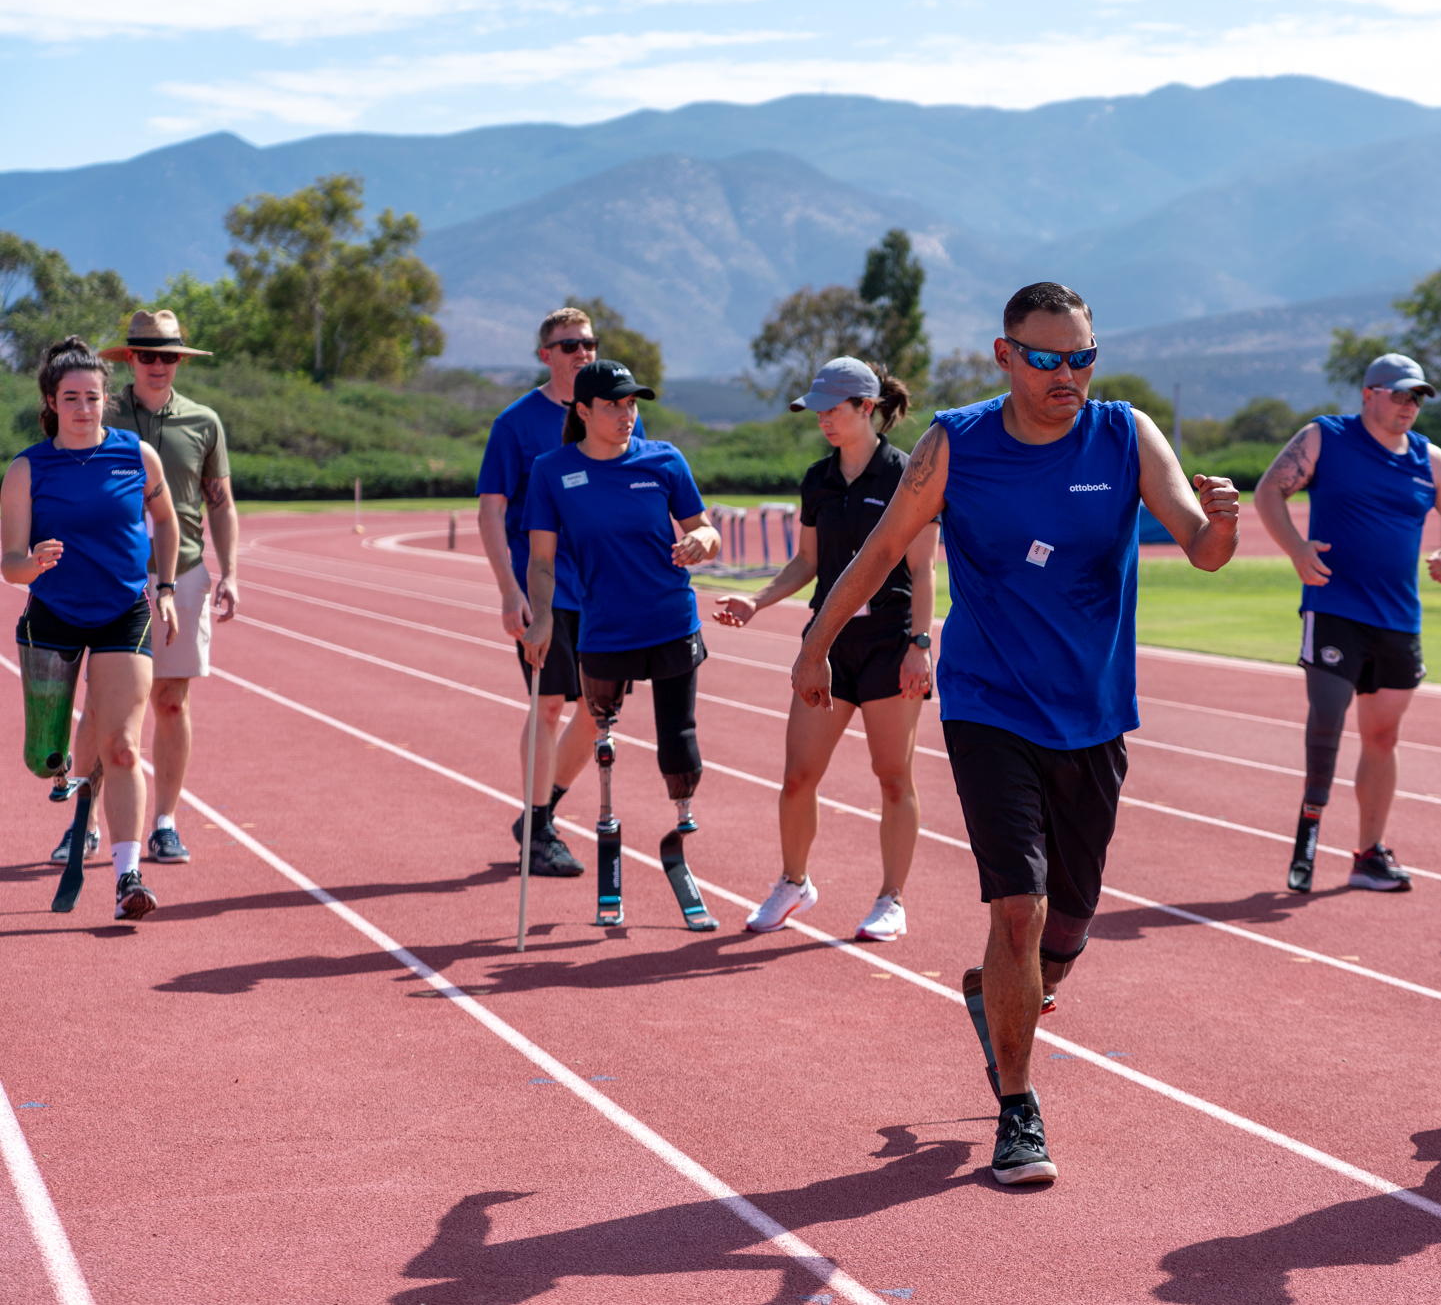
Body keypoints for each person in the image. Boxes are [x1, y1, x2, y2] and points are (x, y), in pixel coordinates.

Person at [793, 282, 1239, 1186]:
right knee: (1019, 909)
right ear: (1006, 356)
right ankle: (1019, 1109)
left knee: (1065, 929)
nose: (1067, 374)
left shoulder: (1126, 435)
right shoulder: (956, 445)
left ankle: (1001, 993)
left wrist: (1222, 518)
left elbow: (1202, 548)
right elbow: (879, 550)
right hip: (989, 702)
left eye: (1082, 357)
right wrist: (816, 644)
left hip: (1095, 712)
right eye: (1047, 358)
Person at [714, 358, 936, 942]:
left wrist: (921, 643)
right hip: (828, 646)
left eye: (832, 410)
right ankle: (794, 882)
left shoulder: (909, 475)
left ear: (868, 408)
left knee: (893, 777)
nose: (822, 422)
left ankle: (891, 899)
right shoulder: (817, 479)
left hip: (891, 645)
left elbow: (923, 568)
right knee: (797, 777)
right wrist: (757, 601)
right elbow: (807, 561)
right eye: (816, 412)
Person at [1254, 352, 1441, 895]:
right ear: (1369, 393)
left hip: (1399, 619)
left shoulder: (1430, 459)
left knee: (1382, 736)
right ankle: (1307, 838)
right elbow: (1269, 491)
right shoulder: (1325, 438)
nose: (1409, 406)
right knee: (1327, 724)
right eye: (1400, 394)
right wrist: (1295, 549)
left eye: (1416, 397)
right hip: (1333, 608)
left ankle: (1367, 854)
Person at [522, 360, 719, 913]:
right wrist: (541, 617)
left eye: (632, 404)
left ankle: (681, 832)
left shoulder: (664, 459)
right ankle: (581, 821)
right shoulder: (552, 471)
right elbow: (541, 562)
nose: (627, 414)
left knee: (679, 741)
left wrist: (704, 542)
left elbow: (706, 529)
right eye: (613, 404)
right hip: (605, 628)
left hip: (673, 621)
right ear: (582, 411)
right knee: (600, 737)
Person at [48, 311, 238, 868]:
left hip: (184, 575)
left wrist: (231, 573)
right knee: (98, 709)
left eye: (169, 356)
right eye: (148, 355)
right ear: (129, 359)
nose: (159, 365)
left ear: (180, 361)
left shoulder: (204, 422)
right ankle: (83, 823)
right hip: (110, 580)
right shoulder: (95, 410)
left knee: (171, 704)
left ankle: (165, 824)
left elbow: (220, 503)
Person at [3, 338, 182, 920]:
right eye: (71, 398)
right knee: (45, 757)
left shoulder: (136, 456)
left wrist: (166, 587)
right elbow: (9, 562)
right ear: (51, 402)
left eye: (93, 397)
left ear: (107, 400)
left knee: (123, 746)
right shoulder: (28, 468)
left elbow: (165, 520)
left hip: (123, 613)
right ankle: (74, 806)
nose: (84, 407)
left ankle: (127, 875)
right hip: (52, 614)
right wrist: (32, 564)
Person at [478, 308, 639, 877]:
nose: (581, 352)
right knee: (549, 705)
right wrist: (507, 590)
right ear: (545, 355)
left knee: (602, 714)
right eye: (568, 344)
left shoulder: (622, 416)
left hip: (605, 591)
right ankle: (541, 824)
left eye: (588, 343)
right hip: (544, 590)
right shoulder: (515, 423)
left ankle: (542, 814)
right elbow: (492, 511)